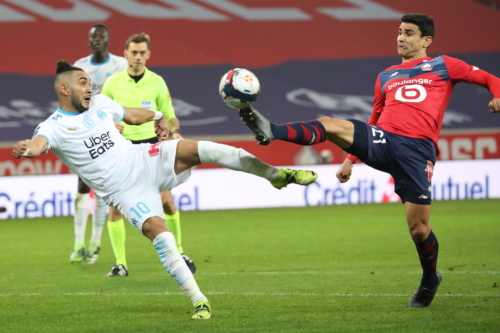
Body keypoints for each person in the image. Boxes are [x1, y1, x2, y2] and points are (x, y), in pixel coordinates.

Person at [12, 60, 317, 319]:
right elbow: (38, 146)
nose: (89, 88)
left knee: (209, 149)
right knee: (162, 236)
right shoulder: (52, 126)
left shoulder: (101, 103)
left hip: (144, 160)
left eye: (90, 82)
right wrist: (26, 149)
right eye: (82, 83)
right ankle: (199, 300)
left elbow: (131, 115)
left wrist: (159, 117)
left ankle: (275, 176)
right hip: (126, 193)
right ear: (65, 89)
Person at [237, 13, 500, 308]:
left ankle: (430, 278)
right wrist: (351, 158)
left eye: (409, 33)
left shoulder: (445, 65)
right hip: (384, 140)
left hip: (417, 152)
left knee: (419, 229)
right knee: (330, 123)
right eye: (399, 32)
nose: (401, 38)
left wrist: (498, 95)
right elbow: (374, 118)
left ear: (426, 40)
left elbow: (490, 78)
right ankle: (271, 131)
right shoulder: (386, 75)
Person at [100, 33, 195, 277]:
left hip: (152, 147)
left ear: (148, 55)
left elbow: (169, 113)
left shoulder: (157, 82)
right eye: (134, 52)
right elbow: (99, 114)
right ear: (125, 53)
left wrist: (175, 132)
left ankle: (181, 251)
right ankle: (120, 263)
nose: (138, 57)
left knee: (166, 202)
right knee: (115, 209)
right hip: (121, 149)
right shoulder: (112, 83)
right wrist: (110, 125)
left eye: (142, 53)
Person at [70, 23, 128, 264]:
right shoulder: (80, 66)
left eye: (101, 36)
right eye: (93, 37)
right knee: (82, 186)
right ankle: (78, 244)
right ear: (89, 40)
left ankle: (94, 243)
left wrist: (111, 122)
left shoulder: (120, 66)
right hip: (85, 132)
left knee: (102, 189)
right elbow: (73, 102)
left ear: (108, 40)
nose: (97, 40)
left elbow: (124, 99)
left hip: (110, 133)